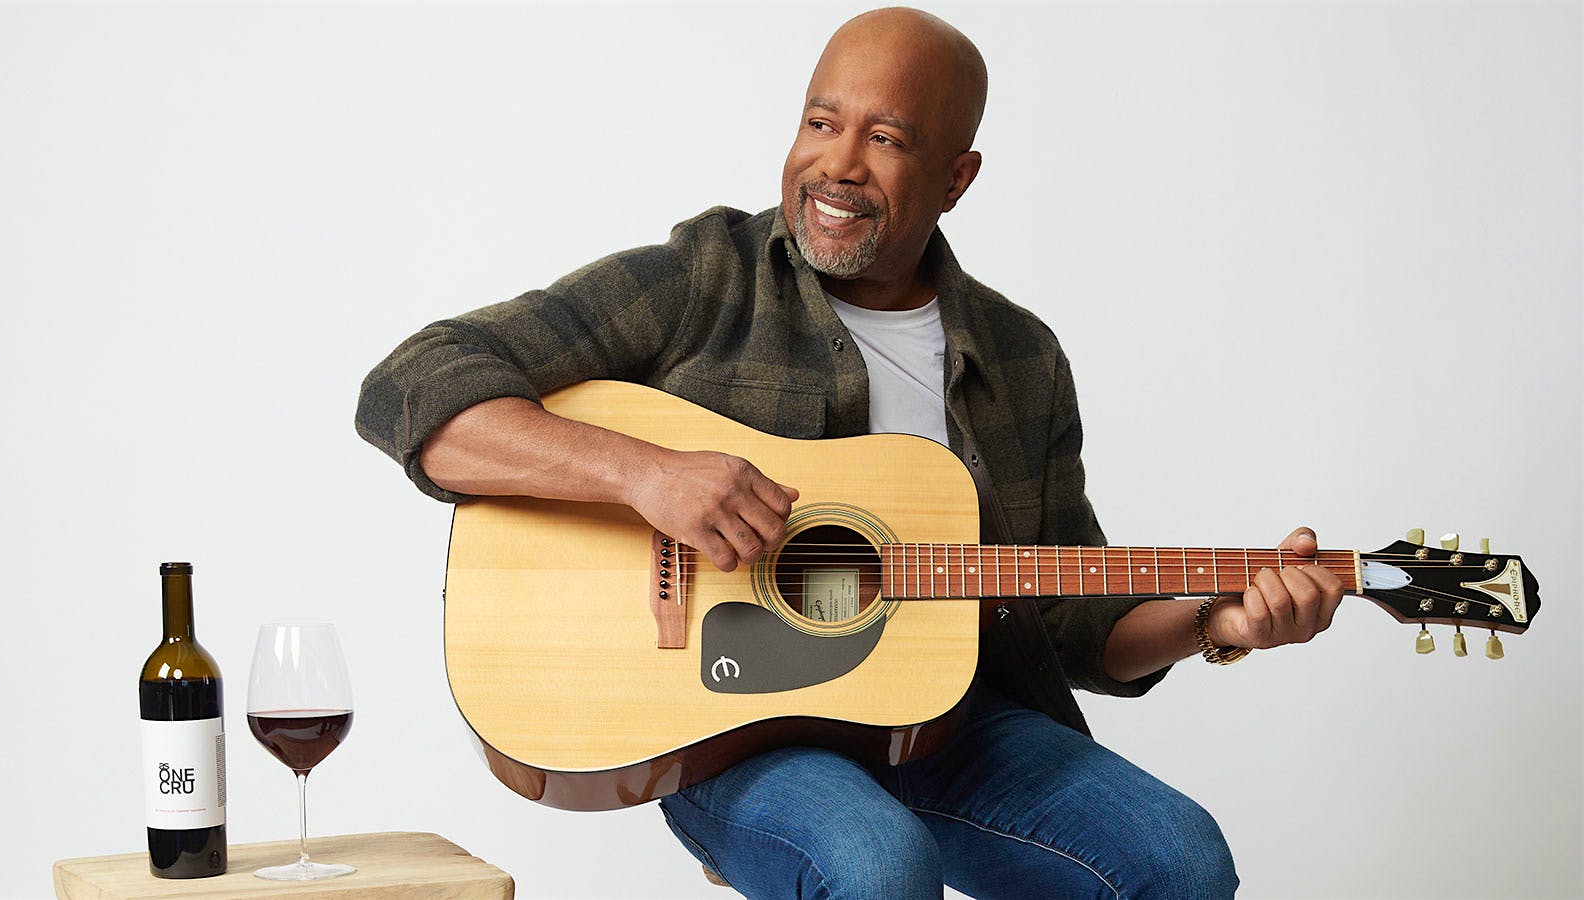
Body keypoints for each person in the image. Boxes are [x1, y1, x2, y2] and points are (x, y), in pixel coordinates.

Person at [357, 7, 1343, 898]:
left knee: (1181, 859)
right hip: (718, 729)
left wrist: (1219, 623)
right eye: (821, 123)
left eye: (885, 138)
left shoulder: (1019, 357)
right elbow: (411, 384)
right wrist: (644, 474)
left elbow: (1070, 618)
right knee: (875, 862)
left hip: (942, 720)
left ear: (956, 177)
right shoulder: (703, 280)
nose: (837, 164)